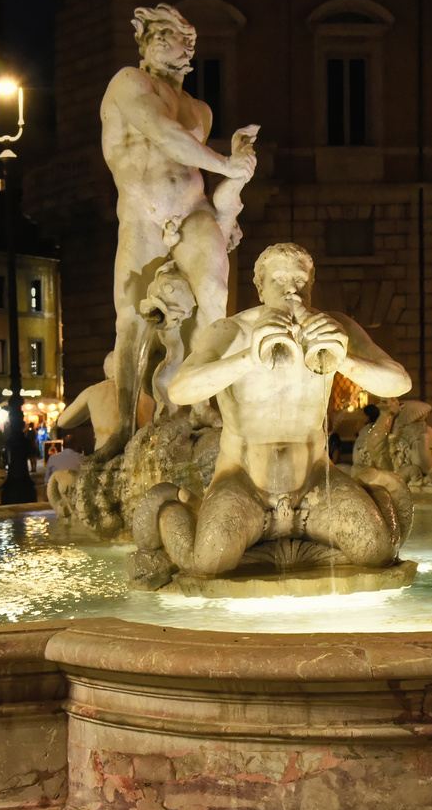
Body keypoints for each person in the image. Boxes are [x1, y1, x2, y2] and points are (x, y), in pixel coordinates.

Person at [147, 243, 414, 578]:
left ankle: (350, 506)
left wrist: (342, 358)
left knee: (375, 550)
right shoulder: (230, 331)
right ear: (260, 287)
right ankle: (176, 508)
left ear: (312, 284)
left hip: (315, 485)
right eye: (279, 279)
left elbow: (399, 383)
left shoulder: (333, 327)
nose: (292, 288)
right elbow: (181, 390)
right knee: (207, 563)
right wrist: (248, 357)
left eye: (300, 280)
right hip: (244, 484)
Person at [97, 3, 259, 458]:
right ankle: (124, 429)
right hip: (142, 216)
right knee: (129, 320)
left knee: (213, 303)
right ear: (146, 40)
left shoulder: (200, 109)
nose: (183, 43)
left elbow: (191, 168)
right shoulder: (130, 83)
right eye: (170, 34)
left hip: (193, 212)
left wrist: (231, 203)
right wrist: (227, 162)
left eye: (189, 38)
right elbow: (164, 135)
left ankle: (211, 406)